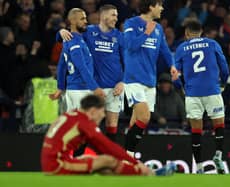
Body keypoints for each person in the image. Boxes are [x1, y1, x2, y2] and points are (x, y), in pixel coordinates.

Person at [41, 94, 176, 175]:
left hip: (51, 161)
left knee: (102, 165)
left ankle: (139, 175)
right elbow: (108, 147)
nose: (103, 115)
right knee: (107, 160)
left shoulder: (70, 115)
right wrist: (134, 162)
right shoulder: (83, 122)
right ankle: (148, 173)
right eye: (102, 112)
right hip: (57, 166)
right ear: (93, 111)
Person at [57, 5, 125, 141]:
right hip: (93, 88)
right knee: (91, 126)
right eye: (113, 15)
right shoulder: (88, 31)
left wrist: (123, 81)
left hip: (114, 87)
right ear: (104, 16)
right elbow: (70, 38)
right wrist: (60, 32)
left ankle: (106, 158)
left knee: (112, 126)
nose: (116, 19)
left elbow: (129, 62)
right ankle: (87, 157)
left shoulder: (120, 36)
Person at [122, 0, 178, 156]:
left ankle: (127, 157)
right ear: (151, 6)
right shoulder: (131, 23)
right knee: (145, 117)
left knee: (136, 121)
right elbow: (131, 46)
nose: (162, 8)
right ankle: (129, 156)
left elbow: (165, 50)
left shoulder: (158, 28)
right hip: (133, 78)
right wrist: (146, 32)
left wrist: (172, 66)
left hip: (150, 80)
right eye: (159, 5)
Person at [175, 19, 229, 174]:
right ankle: (218, 154)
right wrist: (223, 83)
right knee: (218, 125)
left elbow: (174, 73)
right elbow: (224, 67)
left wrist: (181, 87)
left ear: (186, 34)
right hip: (212, 90)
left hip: (193, 93)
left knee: (196, 130)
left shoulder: (182, 48)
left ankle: (198, 167)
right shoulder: (212, 44)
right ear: (201, 33)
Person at [49, 8, 103, 111]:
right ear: (73, 21)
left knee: (73, 123)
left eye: (86, 18)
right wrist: (94, 87)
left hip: (72, 90)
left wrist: (60, 87)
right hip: (81, 89)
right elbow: (81, 66)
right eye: (82, 19)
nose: (86, 21)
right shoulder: (75, 42)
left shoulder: (69, 40)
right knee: (83, 123)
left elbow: (61, 66)